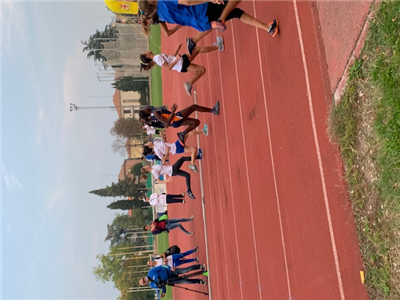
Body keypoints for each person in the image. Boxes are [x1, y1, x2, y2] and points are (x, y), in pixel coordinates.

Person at [138, 0, 278, 53]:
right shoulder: (163, 2)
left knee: (236, 12)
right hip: (204, 8)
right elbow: (187, 1)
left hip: (201, 21)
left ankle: (268, 27)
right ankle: (221, 19)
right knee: (233, 8)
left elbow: (182, 19)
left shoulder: (161, 16)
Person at [140, 40, 224, 96]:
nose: (146, 50)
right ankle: (218, 46)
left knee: (202, 70)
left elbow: (170, 59)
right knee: (197, 49)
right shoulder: (157, 58)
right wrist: (177, 59)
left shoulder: (157, 58)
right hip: (181, 62)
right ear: (147, 55)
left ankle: (189, 83)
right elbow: (168, 68)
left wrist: (177, 49)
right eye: (145, 52)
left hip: (181, 67)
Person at [139, 103, 219, 145]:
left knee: (196, 122)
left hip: (175, 121)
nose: (145, 107)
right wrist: (173, 111)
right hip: (175, 119)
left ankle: (183, 134)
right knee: (193, 107)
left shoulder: (154, 114)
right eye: (144, 108)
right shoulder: (155, 114)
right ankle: (213, 110)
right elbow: (167, 123)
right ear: (146, 111)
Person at [139, 264, 207, 297]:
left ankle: (200, 266)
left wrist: (170, 268)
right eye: (144, 282)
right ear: (145, 284)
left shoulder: (151, 272)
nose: (144, 280)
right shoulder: (152, 285)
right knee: (186, 281)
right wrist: (163, 292)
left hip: (170, 272)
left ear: (143, 278)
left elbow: (162, 266)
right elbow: (162, 286)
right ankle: (200, 281)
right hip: (170, 280)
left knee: (185, 270)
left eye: (143, 280)